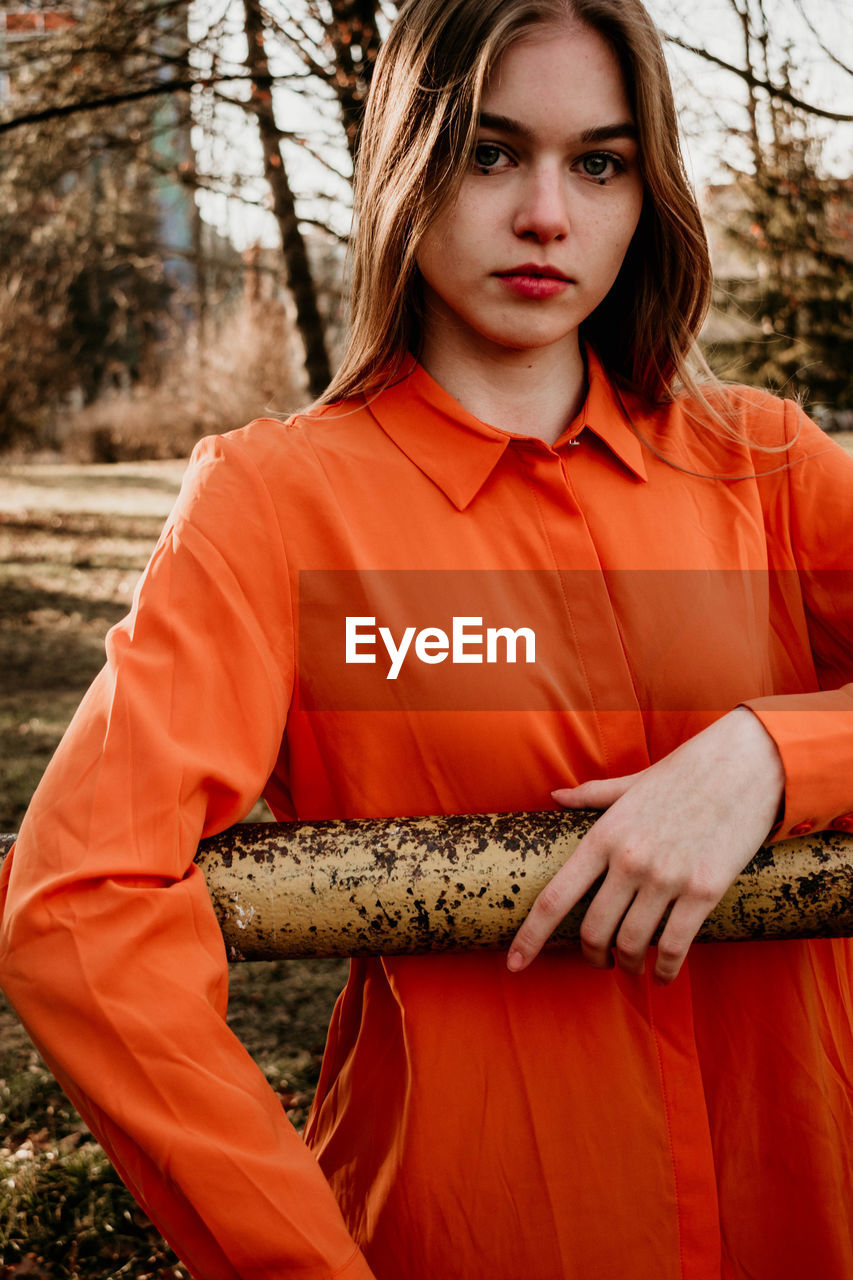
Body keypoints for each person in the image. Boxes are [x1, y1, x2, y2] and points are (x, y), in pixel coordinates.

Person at [1, 0, 851, 1276]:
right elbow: (78, 906)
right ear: (407, 161)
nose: (547, 214)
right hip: (476, 1227)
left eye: (600, 162)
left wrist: (776, 758)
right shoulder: (276, 503)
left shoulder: (766, 461)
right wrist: (297, 1261)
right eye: (490, 152)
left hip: (812, 1201)